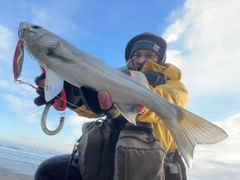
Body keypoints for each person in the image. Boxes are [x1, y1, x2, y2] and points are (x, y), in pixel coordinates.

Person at [34, 32, 188, 180]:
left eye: (150, 55)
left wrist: (123, 100)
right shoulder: (114, 76)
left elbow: (167, 101)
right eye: (137, 54)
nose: (141, 60)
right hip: (109, 158)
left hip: (153, 166)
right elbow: (94, 107)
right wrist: (72, 95)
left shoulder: (174, 85)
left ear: (160, 59)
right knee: (47, 171)